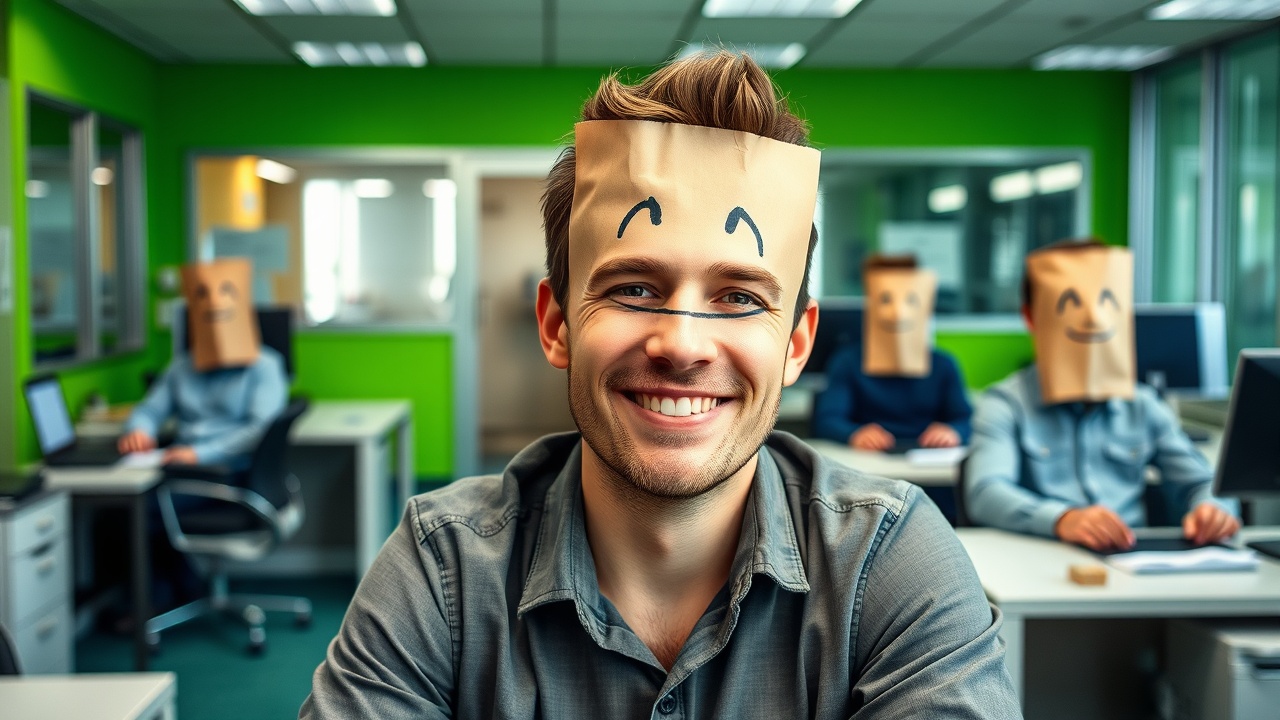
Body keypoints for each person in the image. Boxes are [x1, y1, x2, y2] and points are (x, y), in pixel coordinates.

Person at [302, 50, 1019, 719]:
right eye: (635, 288)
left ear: (796, 345)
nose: (681, 345)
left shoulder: (889, 561)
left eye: (738, 297)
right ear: (556, 324)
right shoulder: (443, 570)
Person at [965, 239, 1239, 551]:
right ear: (1031, 316)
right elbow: (985, 493)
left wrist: (1214, 510)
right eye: (1070, 303)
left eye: (1107, 301)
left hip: (1132, 557)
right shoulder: (1005, 404)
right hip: (1045, 555)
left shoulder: (1142, 404)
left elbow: (1203, 482)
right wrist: (1062, 519)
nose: (1093, 318)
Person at [118, 258, 287, 470]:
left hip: (229, 466)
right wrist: (139, 431)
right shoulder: (181, 367)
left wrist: (199, 454)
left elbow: (261, 429)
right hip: (180, 462)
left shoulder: (264, 366)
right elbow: (149, 410)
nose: (214, 304)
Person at [812, 254, 972, 451]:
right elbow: (827, 420)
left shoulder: (943, 364)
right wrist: (853, 433)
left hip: (927, 457)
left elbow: (965, 419)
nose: (897, 313)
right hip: (869, 459)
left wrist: (953, 431)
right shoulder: (847, 362)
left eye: (910, 300)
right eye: (885, 299)